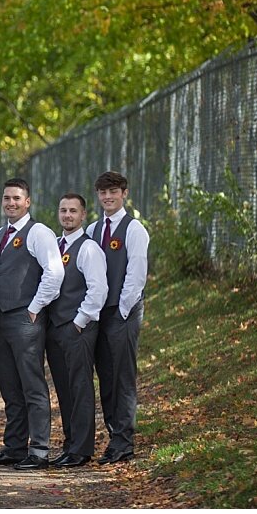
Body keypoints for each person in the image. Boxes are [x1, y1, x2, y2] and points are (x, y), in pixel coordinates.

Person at [0, 178, 64, 470]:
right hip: (0, 318)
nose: (11, 203)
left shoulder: (38, 232)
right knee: (9, 387)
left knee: (32, 385)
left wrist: (34, 307)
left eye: (17, 198)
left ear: (27, 201)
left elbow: (54, 272)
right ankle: (14, 447)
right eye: (7, 198)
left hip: (25, 318)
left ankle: (39, 450)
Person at [44, 193, 108, 468]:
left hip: (78, 328)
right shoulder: (55, 246)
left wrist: (79, 322)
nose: (67, 215)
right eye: (63, 210)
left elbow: (98, 290)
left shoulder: (88, 248)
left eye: (73, 211)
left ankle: (82, 449)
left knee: (80, 387)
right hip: (55, 328)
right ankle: (70, 444)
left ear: (83, 215)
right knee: (64, 389)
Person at [89, 170, 149, 464]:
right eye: (102, 192)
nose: (108, 197)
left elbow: (136, 275)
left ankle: (123, 442)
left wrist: (122, 311)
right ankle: (113, 434)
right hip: (98, 314)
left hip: (121, 312)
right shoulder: (92, 230)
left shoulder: (134, 229)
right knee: (106, 377)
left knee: (123, 377)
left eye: (113, 191)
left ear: (124, 193)